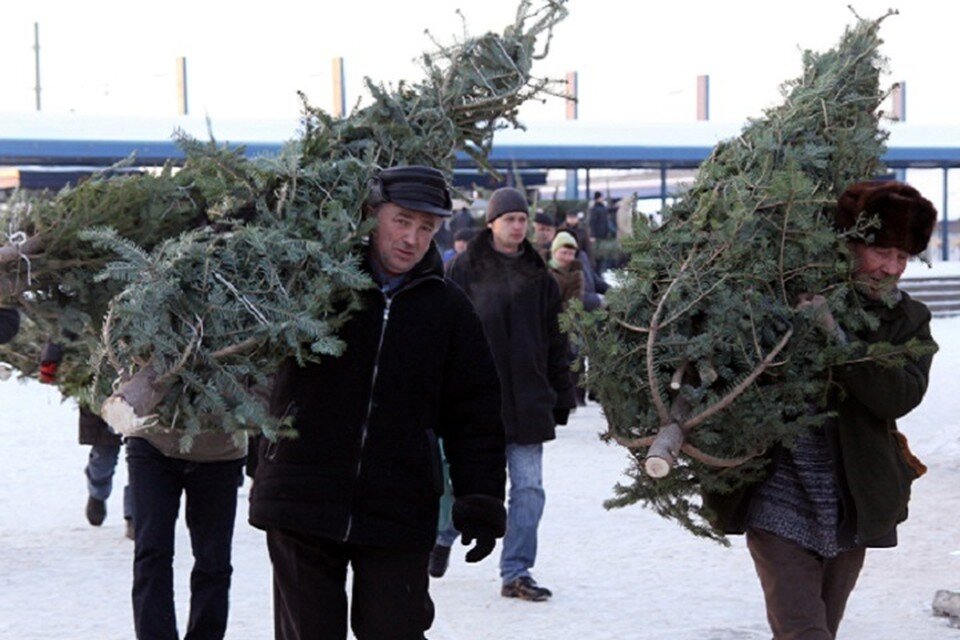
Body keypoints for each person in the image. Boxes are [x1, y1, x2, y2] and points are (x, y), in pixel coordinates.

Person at [249, 165, 506, 640]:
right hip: (302, 493)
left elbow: (476, 412)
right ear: (372, 215)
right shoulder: (313, 287)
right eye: (402, 221)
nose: (411, 238)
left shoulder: (448, 310)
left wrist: (481, 497)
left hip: (399, 506)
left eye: (426, 228)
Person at [703, 180, 938, 640]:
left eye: (903, 258)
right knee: (804, 633)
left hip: (852, 503)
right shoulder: (785, 298)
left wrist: (839, 339)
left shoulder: (907, 321)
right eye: (882, 251)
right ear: (851, 245)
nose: (890, 268)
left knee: (822, 629)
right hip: (777, 497)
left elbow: (898, 396)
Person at [446, 186, 575, 602]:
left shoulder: (540, 279)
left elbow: (556, 342)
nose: (518, 226)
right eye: (510, 219)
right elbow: (445, 339)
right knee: (463, 484)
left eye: (523, 219)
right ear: (492, 224)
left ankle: (517, 571)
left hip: (528, 403)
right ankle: (441, 536)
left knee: (529, 490)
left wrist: (562, 394)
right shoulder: (464, 271)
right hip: (477, 405)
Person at [124, 411, 247, 638]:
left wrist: (245, 411)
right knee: (151, 551)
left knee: (213, 558)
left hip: (219, 448)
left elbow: (265, 380)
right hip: (151, 438)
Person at [39, 341, 135, 538]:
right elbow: (65, 325)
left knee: (142, 459)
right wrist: (50, 358)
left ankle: (134, 516)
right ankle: (97, 493)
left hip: (140, 384)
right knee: (104, 456)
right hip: (97, 385)